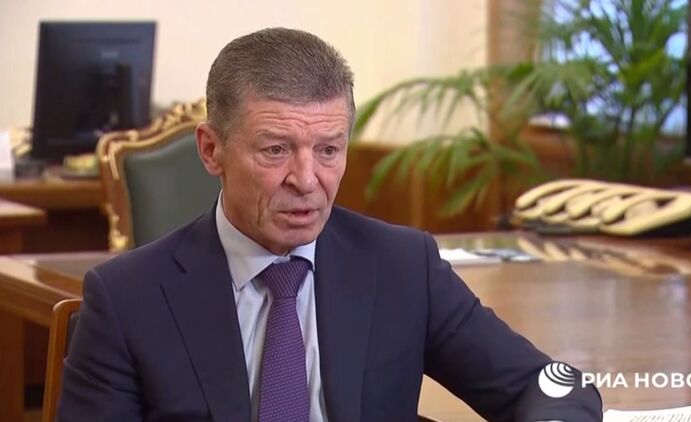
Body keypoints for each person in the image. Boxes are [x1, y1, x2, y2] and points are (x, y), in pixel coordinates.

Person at [57, 27, 602, 422]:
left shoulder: (402, 267)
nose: (306, 179)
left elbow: (547, 386)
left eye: (328, 150)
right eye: (276, 150)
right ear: (211, 149)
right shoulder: (127, 299)